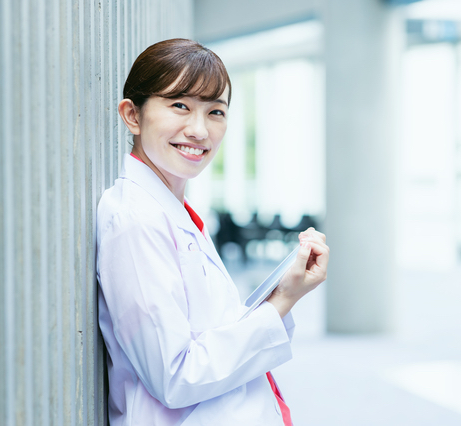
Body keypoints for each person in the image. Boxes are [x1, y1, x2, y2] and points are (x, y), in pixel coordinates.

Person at [96, 38, 329, 426]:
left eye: (216, 111)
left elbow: (211, 331)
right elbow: (175, 376)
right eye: (180, 106)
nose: (200, 130)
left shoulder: (174, 211)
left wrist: (278, 291)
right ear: (132, 115)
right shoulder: (134, 221)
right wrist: (282, 302)